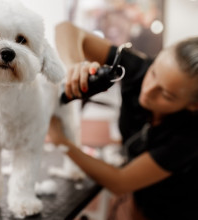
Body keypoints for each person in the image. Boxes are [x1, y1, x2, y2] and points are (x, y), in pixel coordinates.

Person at [48, 21, 198, 220]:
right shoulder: (139, 69)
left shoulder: (190, 136)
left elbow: (120, 182)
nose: (148, 90)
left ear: (193, 105)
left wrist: (62, 142)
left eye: (166, 95)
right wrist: (75, 64)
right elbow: (66, 29)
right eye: (153, 73)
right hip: (139, 199)